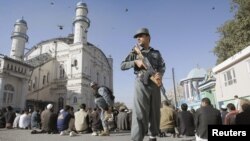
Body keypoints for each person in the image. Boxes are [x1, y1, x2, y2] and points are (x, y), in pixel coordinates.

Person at [121, 27, 165, 141]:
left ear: (148, 37)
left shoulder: (156, 53)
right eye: (137, 37)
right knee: (139, 112)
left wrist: (160, 74)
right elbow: (122, 65)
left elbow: (162, 66)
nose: (138, 38)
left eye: (141, 36)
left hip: (155, 84)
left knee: (155, 111)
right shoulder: (134, 52)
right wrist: (135, 62)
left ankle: (152, 135)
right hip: (141, 83)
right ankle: (137, 138)